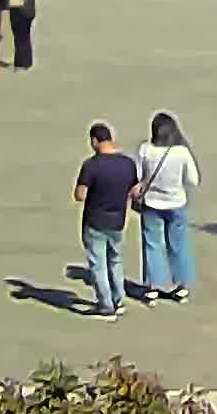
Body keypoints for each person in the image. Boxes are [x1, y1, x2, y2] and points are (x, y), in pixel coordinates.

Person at [73, 121, 140, 316]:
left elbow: (80, 195)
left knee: (98, 264)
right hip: (118, 220)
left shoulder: (91, 165)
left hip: (95, 221)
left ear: (95, 141)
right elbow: (134, 191)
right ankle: (119, 300)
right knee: (115, 261)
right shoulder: (127, 163)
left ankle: (106, 303)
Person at [131, 111, 199, 303]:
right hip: (176, 202)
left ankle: (152, 287)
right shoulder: (181, 152)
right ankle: (181, 286)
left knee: (152, 244)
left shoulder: (144, 149)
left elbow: (137, 175)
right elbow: (193, 180)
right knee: (178, 244)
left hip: (151, 203)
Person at [5, 0, 40, 71]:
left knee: (19, 38)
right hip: (30, 12)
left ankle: (19, 64)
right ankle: (27, 62)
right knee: (25, 38)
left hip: (19, 13)